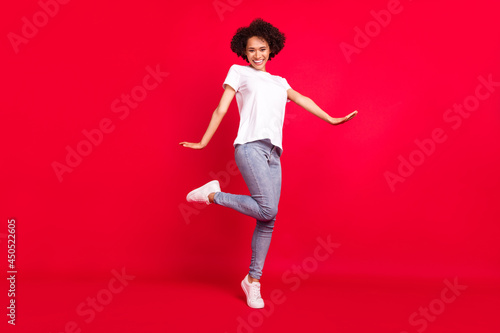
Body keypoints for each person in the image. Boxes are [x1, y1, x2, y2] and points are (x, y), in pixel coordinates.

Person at [180, 18, 357, 309]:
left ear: (271, 49)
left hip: (274, 154)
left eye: (262, 49)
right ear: (244, 51)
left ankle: (253, 281)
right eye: (251, 50)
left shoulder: (279, 82)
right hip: (249, 147)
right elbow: (221, 107)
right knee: (268, 208)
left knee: (267, 219)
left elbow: (303, 98)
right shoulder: (238, 72)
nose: (257, 55)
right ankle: (212, 195)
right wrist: (203, 142)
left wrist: (331, 119)